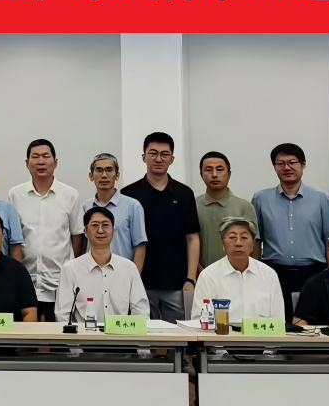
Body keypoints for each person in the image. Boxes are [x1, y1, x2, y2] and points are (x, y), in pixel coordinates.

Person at [251, 143, 329, 319]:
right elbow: (256, 239)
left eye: (292, 162)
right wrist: (255, 273)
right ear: (274, 167)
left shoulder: (322, 198)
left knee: (314, 323)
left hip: (314, 272)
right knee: (278, 321)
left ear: (303, 165)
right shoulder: (260, 199)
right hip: (275, 272)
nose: (287, 167)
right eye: (280, 163)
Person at [122, 132, 201, 322]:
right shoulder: (129, 194)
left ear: (172, 159)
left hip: (177, 284)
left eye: (164, 154)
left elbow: (192, 238)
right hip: (140, 284)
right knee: (142, 335)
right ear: (144, 157)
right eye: (153, 153)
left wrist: (190, 279)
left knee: (177, 335)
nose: (159, 159)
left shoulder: (184, 194)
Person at [8, 139, 83, 322]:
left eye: (45, 156)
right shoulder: (15, 195)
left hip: (60, 281)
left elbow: (76, 237)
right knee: (26, 334)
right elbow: (13, 238)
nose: (40, 161)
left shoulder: (70, 195)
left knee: (58, 332)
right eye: (35, 157)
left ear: (55, 162)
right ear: (27, 163)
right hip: (26, 279)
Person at [55, 206, 150, 323]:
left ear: (113, 231)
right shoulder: (71, 269)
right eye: (95, 225)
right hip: (84, 333)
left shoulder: (129, 268)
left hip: (120, 333)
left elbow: (141, 310)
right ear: (85, 232)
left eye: (105, 225)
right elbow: (63, 314)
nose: (100, 230)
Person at [190, 217, 285, 321]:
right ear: (223, 245)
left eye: (244, 237)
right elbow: (198, 321)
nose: (238, 243)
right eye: (232, 237)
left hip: (259, 332)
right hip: (222, 332)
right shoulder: (208, 276)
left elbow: (279, 320)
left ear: (252, 245)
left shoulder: (269, 275)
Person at [80, 153, 147, 268]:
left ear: (117, 175)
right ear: (91, 176)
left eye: (109, 170)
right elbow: (83, 246)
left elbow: (140, 246)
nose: (104, 175)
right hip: (91, 272)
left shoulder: (132, 206)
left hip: (122, 272)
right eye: (99, 170)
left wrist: (134, 276)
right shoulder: (85, 207)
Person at [195, 151, 257, 267]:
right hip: (200, 273)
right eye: (209, 170)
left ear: (229, 174)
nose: (214, 174)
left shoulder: (244, 206)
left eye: (219, 169)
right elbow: (188, 244)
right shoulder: (193, 205)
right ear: (201, 174)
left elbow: (254, 245)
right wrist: (199, 271)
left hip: (237, 273)